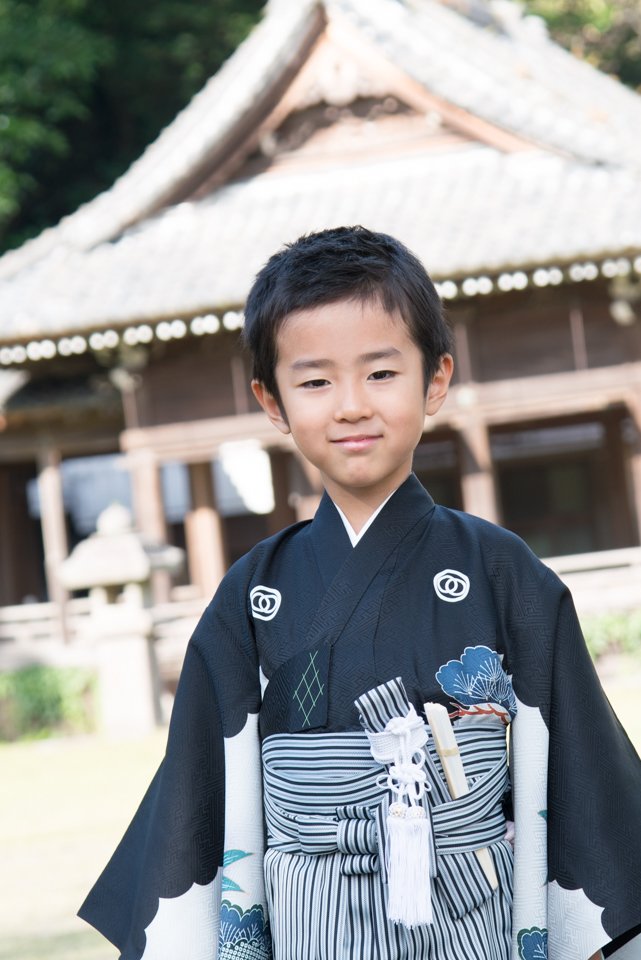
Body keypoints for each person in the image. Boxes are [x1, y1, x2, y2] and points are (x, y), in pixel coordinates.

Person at [79, 226, 641, 960]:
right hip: (309, 921)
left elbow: (580, 780)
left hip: (474, 915)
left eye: (380, 374)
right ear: (271, 401)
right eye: (314, 381)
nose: (349, 406)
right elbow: (200, 793)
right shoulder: (252, 596)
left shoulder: (504, 574)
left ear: (434, 380)